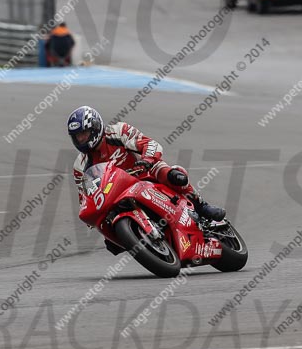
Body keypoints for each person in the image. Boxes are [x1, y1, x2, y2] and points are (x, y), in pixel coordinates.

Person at [67, 106, 226, 252]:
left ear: (95, 128)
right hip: (114, 196)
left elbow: (150, 144)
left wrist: (147, 160)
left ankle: (202, 207)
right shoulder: (80, 166)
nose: (81, 139)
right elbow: (85, 195)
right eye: (77, 137)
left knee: (174, 176)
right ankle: (141, 238)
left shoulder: (117, 131)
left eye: (84, 134)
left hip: (143, 174)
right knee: (111, 244)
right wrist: (91, 216)